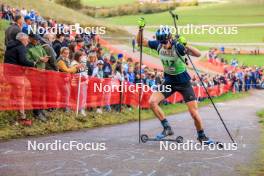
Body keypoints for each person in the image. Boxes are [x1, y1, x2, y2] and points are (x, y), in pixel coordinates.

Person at [137, 25, 214, 144]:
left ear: (170, 38)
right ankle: (167, 128)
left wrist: (186, 44)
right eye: (161, 42)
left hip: (183, 82)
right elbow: (140, 42)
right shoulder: (158, 45)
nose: (164, 45)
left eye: (165, 42)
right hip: (169, 81)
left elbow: (198, 54)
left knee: (194, 113)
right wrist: (140, 29)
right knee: (152, 102)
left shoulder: (177, 46)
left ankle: (201, 136)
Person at [4, 32, 35, 125]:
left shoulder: (10, 46)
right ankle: (22, 118)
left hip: (8, 75)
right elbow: (23, 61)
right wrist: (33, 63)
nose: (27, 42)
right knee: (20, 97)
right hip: (17, 76)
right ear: (22, 39)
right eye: (26, 40)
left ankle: (12, 116)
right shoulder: (20, 47)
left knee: (13, 96)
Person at [26, 33, 49, 122]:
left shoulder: (39, 45)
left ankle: (40, 109)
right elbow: (28, 60)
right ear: (30, 39)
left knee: (41, 92)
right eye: (35, 39)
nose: (37, 41)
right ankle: (36, 112)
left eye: (38, 39)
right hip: (34, 73)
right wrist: (39, 60)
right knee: (36, 93)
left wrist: (46, 58)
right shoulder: (28, 48)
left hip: (42, 71)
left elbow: (45, 54)